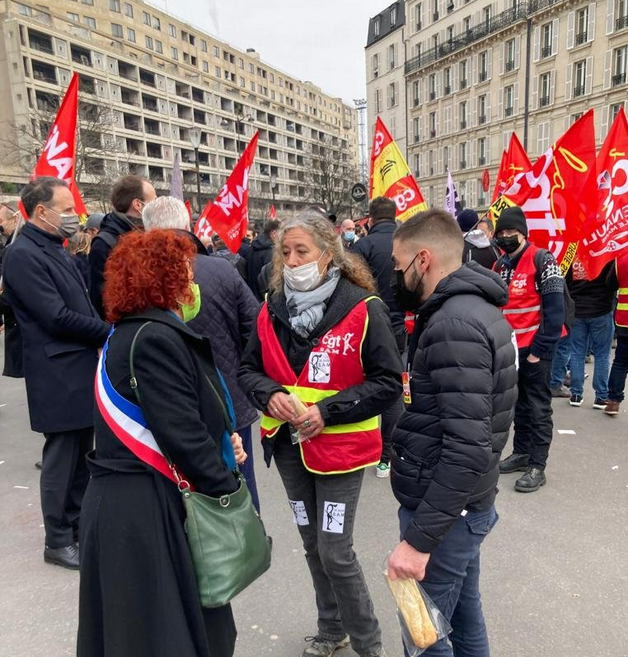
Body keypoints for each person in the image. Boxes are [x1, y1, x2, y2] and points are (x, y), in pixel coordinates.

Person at [238, 211, 401, 657]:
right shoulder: (270, 307)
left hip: (341, 450)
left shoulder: (365, 308)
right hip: (288, 448)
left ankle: (369, 644)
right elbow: (248, 369)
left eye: (301, 251)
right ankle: (332, 630)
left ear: (328, 255)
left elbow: (388, 382)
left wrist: (327, 411)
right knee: (312, 544)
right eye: (285, 252)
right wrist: (269, 395)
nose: (292, 260)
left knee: (335, 550)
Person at [77, 229, 242, 657]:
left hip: (125, 500)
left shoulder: (126, 332)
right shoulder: (155, 338)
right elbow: (183, 435)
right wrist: (229, 492)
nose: (192, 280)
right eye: (185, 270)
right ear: (164, 277)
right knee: (161, 635)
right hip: (146, 507)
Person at [387, 209, 517, 657]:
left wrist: (418, 541)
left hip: (442, 512)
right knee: (461, 618)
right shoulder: (467, 310)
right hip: (459, 506)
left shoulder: (452, 324)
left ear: (423, 260)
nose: (395, 275)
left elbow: (466, 448)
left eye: (397, 265)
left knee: (422, 634)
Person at [2, 177, 109, 569]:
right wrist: (110, 332)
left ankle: (78, 528)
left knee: (82, 454)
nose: (74, 216)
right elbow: (56, 315)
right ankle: (58, 540)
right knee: (62, 458)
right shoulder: (23, 254)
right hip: (57, 371)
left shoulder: (53, 247)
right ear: (41, 211)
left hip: (76, 366)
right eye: (65, 209)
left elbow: (80, 304)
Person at [142, 196, 261, 511]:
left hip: (169, 406)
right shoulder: (220, 269)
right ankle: (249, 538)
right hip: (227, 398)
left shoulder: (135, 278)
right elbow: (255, 329)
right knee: (238, 476)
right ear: (187, 224)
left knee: (185, 484)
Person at [493, 206, 565, 492]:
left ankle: (538, 464)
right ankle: (521, 453)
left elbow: (555, 310)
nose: (506, 237)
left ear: (523, 234)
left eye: (512, 232)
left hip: (535, 349)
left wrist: (539, 350)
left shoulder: (542, 259)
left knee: (537, 407)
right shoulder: (500, 265)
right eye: (502, 233)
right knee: (517, 405)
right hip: (510, 351)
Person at [353, 196, 405, 479]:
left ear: (370, 219)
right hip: (401, 327)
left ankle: (370, 450)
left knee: (367, 385)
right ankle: (389, 454)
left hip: (367, 326)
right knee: (394, 387)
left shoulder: (363, 246)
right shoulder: (406, 241)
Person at [88, 175, 156, 317]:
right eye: (153, 201)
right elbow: (101, 298)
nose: (157, 206)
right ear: (138, 205)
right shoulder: (104, 243)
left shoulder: (150, 234)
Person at [566, 258, 615, 408]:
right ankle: (601, 396)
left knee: (576, 353)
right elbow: (613, 282)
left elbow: (566, 282)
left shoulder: (573, 254)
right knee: (602, 354)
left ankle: (576, 394)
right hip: (601, 309)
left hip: (578, 309)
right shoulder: (606, 254)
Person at [605, 251, 628, 415]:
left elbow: (610, 284)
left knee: (620, 362)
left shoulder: (621, 258)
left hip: (625, 319)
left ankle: (613, 401)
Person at [247, 219, 280, 300]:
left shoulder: (253, 245)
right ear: (274, 233)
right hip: (263, 296)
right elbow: (270, 278)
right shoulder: (269, 250)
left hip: (252, 293)